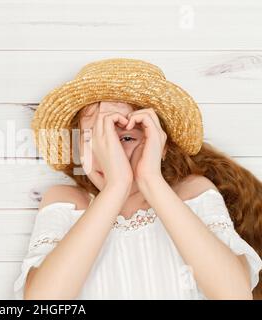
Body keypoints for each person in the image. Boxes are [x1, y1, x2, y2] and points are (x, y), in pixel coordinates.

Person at [13, 58, 262, 300]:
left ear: (161, 146)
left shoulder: (190, 193)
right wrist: (116, 187)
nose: (108, 155)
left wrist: (150, 179)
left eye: (127, 138)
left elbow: (235, 295)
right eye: (93, 140)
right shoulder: (67, 201)